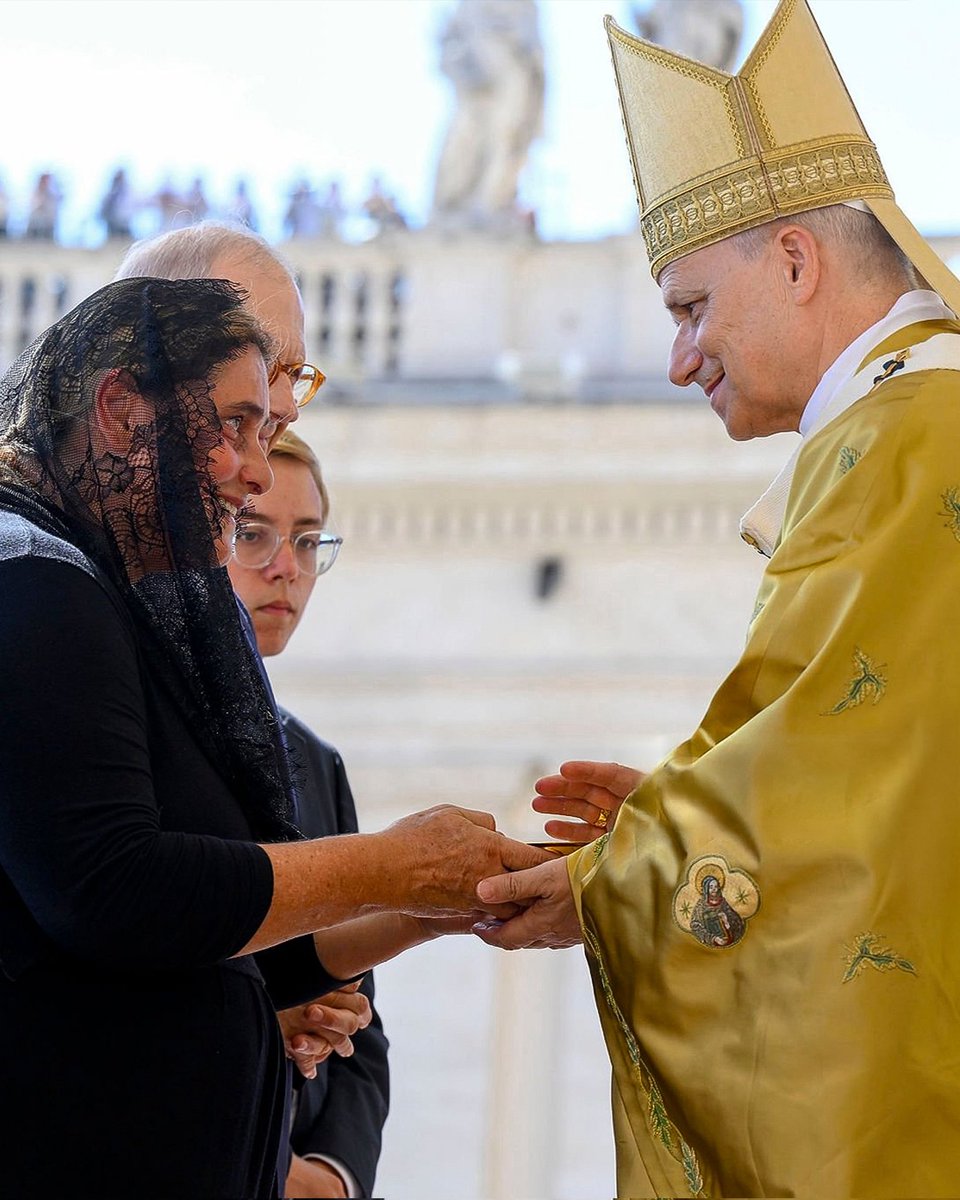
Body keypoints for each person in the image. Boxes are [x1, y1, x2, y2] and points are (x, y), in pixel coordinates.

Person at [477, 2, 960, 1196]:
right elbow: (879, 776)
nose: (680, 360)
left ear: (794, 260)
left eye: (692, 308)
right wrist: (668, 820)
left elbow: (840, 768)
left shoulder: (905, 442)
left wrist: (613, 878)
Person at [0, 276, 545, 1200]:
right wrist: (391, 866)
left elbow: (227, 940)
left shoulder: (97, 593)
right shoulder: (34, 582)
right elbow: (113, 890)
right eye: (240, 425)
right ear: (124, 410)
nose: (257, 468)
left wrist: (447, 900)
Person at [227, 429, 388, 1200]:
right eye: (251, 534)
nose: (284, 568)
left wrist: (333, 1176)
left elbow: (365, 1023)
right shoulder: (143, 735)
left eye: (305, 539)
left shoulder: (316, 762)